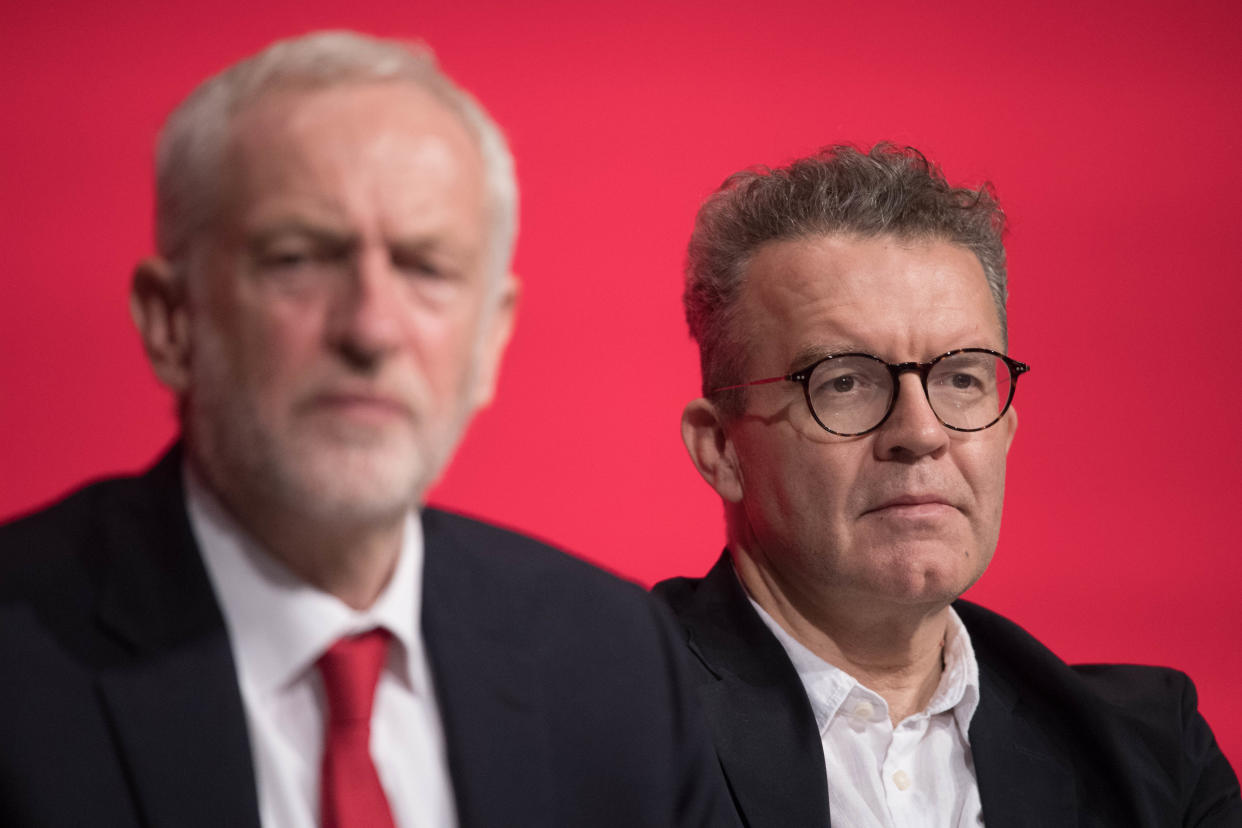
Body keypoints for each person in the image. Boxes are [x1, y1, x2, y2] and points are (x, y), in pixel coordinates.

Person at [0, 31, 734, 828]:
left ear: (490, 339)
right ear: (172, 321)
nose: (372, 328)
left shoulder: (613, 660)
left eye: (424, 267)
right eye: (298, 259)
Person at [654, 144, 1242, 826]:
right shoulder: (603, 722)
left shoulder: (1149, 757)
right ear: (721, 447)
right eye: (844, 381)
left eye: (961, 378)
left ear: (1005, 431)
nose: (922, 431)